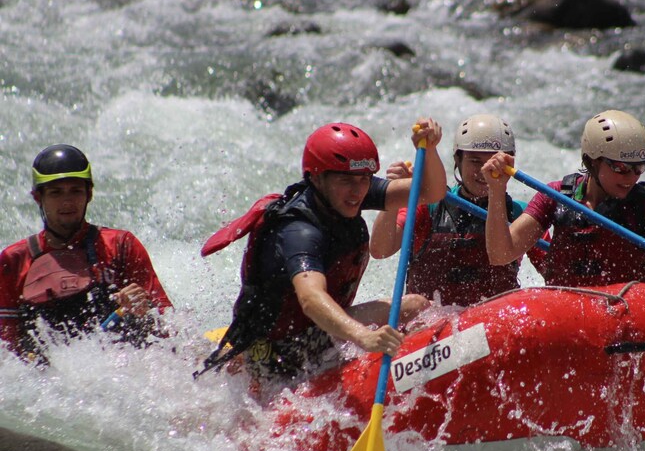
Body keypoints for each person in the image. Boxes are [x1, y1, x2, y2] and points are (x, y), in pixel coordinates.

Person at [196, 119, 446, 384]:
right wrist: (363, 336)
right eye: (346, 180)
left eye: (364, 179)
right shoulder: (298, 231)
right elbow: (311, 298)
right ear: (316, 177)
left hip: (313, 333)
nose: (357, 191)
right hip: (279, 354)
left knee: (415, 307)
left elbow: (431, 192)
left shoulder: (347, 191)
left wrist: (430, 150)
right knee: (412, 306)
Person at [483, 110, 645, 289]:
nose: (631, 177)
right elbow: (501, 254)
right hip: (568, 318)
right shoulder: (556, 196)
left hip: (631, 319)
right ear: (592, 161)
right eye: (620, 168)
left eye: (639, 168)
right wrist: (496, 189)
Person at [0, 145, 172, 361]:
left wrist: (146, 311)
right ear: (37, 197)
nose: (67, 202)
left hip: (122, 368)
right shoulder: (14, 260)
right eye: (56, 192)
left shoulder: (121, 245)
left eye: (76, 191)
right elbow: (7, 348)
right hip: (47, 380)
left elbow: (171, 328)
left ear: (89, 194)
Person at [370, 114, 527, 306]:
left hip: (493, 325)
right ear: (457, 160)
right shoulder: (428, 208)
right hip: (428, 325)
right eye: (475, 161)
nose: (485, 170)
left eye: (495, 161)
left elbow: (553, 273)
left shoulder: (522, 214)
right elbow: (380, 250)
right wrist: (395, 195)